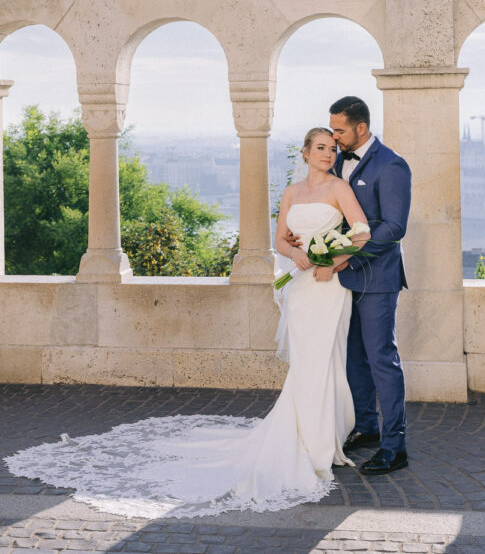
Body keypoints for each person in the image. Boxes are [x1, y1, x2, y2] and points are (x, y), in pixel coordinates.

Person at [4, 127, 370, 520]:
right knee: (305, 364)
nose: (328, 154)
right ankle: (305, 438)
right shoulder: (293, 192)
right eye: (320, 148)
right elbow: (280, 240)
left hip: (327, 287)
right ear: (305, 152)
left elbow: (362, 232)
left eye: (332, 149)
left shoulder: (340, 188)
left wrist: (331, 263)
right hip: (299, 287)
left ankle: (323, 441)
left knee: (326, 359)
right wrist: (295, 255)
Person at [330, 96, 411, 475]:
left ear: (360, 128)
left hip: (378, 279)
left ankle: (395, 446)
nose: (334, 137)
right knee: (353, 358)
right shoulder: (335, 160)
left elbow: (394, 227)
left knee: (381, 359)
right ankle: (366, 427)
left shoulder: (392, 165)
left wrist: (349, 257)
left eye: (340, 130)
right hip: (341, 280)